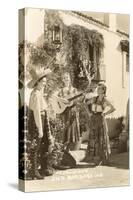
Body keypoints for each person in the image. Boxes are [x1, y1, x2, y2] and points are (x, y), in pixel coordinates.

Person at [27, 67, 54, 179]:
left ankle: (43, 168)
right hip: (37, 122)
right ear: (37, 82)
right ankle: (33, 172)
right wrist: (40, 129)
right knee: (35, 146)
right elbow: (37, 113)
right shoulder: (36, 94)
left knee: (44, 144)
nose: (44, 84)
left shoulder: (39, 93)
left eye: (45, 82)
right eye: (43, 82)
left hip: (41, 119)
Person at [85, 83, 115, 165]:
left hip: (100, 119)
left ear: (103, 90)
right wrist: (89, 113)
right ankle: (95, 158)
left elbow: (113, 108)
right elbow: (85, 104)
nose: (97, 90)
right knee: (94, 137)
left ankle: (101, 158)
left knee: (100, 138)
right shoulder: (94, 98)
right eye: (97, 89)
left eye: (99, 89)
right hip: (93, 118)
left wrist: (105, 114)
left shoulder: (105, 100)